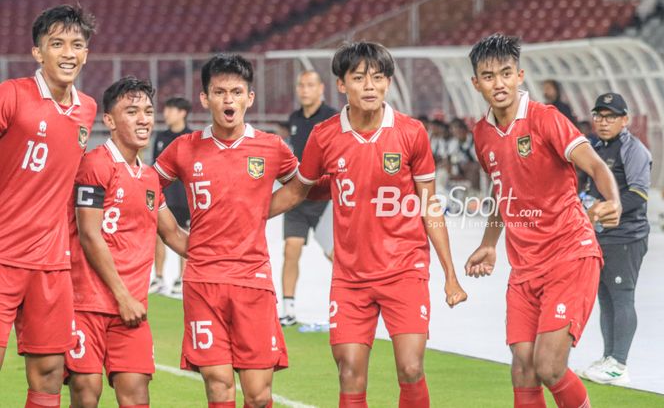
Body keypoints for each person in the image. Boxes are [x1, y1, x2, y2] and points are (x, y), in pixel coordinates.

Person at [268, 41, 468, 408]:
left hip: (404, 270)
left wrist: (450, 275)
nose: (370, 86)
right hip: (350, 277)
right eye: (359, 78)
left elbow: (430, 206)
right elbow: (299, 190)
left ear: (388, 83)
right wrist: (246, 214)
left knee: (410, 367)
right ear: (342, 85)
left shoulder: (411, 133)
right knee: (349, 371)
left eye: (378, 78)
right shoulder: (324, 136)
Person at [465, 34, 621, 408]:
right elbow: (501, 192)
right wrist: (489, 243)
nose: (498, 83)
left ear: (520, 75)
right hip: (524, 269)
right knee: (523, 366)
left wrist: (611, 199)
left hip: (569, 256)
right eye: (488, 76)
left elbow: (596, 165)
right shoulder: (482, 134)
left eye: (506, 73)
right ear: (476, 83)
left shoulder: (545, 118)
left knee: (549, 366)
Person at [154, 54, 296, 408]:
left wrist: (258, 210)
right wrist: (175, 237)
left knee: (260, 395)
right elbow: (145, 186)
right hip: (203, 281)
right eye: (219, 92)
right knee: (218, 387)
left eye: (236, 91)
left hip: (253, 279)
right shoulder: (184, 148)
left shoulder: (271, 147)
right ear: (205, 98)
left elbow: (300, 186)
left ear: (250, 97)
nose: (228, 99)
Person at [65, 77, 189, 407]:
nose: (143, 119)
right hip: (87, 303)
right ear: (109, 120)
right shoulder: (94, 165)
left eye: (148, 111)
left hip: (132, 311)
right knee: (85, 394)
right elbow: (90, 235)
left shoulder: (150, 177)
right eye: (131, 111)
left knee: (136, 395)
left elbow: (174, 234)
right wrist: (122, 296)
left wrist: (226, 249)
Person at [0, 4, 97, 408]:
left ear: (87, 53)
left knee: (50, 372)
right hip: (2, 254)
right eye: (57, 44)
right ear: (38, 52)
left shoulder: (88, 109)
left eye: (77, 44)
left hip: (51, 264)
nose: (68, 53)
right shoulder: (11, 95)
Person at [578, 93, 651, 386]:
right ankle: (608, 357)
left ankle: (619, 363)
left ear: (625, 120)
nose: (603, 122)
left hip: (626, 235)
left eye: (610, 116)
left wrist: (604, 207)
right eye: (599, 116)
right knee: (605, 298)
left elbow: (639, 194)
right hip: (600, 235)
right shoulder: (594, 146)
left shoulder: (634, 150)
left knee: (622, 297)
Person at [280, 70, 337, 326]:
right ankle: (288, 308)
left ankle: (349, 304)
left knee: (336, 254)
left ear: (321, 88)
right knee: (290, 249)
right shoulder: (293, 119)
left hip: (325, 198)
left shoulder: (333, 118)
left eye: (310, 85)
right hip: (297, 197)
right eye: (301, 85)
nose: (304, 90)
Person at [149, 97, 193, 296]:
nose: (166, 113)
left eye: (171, 109)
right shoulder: (160, 136)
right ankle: (158, 278)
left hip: (184, 196)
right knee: (160, 236)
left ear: (182, 112)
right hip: (164, 196)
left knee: (184, 233)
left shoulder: (192, 138)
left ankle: (182, 278)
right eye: (166, 109)